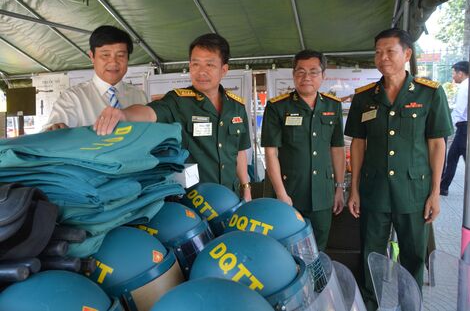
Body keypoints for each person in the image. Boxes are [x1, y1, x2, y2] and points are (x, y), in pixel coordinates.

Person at [344, 28, 453, 310]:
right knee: (371, 254)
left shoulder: (430, 93)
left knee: (414, 256)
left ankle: (410, 305)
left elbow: (437, 145)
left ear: (406, 54)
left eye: (390, 51)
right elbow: (358, 144)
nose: (382, 58)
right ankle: (370, 304)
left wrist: (435, 193)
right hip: (374, 190)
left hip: (414, 192)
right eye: (378, 52)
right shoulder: (365, 97)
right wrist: (353, 188)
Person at [94, 33, 252, 201]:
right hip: (195, 200)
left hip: (231, 195)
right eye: (195, 64)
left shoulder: (236, 107)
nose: (201, 72)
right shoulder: (178, 101)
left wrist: (246, 187)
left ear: (224, 70)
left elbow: (240, 151)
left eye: (210, 65)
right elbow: (149, 113)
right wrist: (124, 114)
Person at [261, 49, 345, 251]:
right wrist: (281, 194)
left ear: (323, 76)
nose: (306, 77)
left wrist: (339, 187)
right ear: (293, 75)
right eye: (300, 72)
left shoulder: (333, 106)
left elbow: (337, 148)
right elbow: (271, 153)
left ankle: (318, 284)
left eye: (313, 72)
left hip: (323, 194)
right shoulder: (277, 107)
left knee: (320, 246)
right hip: (290, 193)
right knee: (289, 248)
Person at [45, 25, 148, 130]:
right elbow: (50, 133)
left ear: (128, 59)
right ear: (92, 57)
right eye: (105, 55)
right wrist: (55, 129)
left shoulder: (140, 96)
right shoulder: (72, 98)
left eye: (120, 55)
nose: (113, 62)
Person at [440, 61, 469, 196]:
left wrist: (447, 125)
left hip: (464, 127)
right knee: (452, 156)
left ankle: (443, 186)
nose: (453, 76)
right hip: (463, 128)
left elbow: (459, 110)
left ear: (460, 73)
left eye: (453, 73)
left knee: (459, 156)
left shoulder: (464, 86)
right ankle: (443, 187)